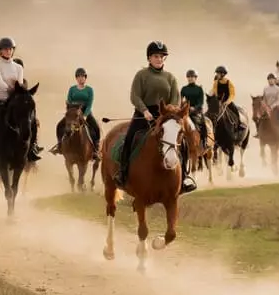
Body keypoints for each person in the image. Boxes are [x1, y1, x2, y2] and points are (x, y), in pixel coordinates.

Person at [114, 41, 195, 194]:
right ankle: (123, 174)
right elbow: (135, 96)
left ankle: (184, 177)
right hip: (144, 114)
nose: (159, 59)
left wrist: (170, 113)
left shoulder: (170, 78)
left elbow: (175, 99)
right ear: (149, 58)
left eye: (162, 57)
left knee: (182, 143)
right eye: (156, 56)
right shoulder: (141, 75)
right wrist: (144, 110)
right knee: (129, 138)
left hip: (166, 115)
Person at [0, 37, 43, 161]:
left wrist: (19, 92)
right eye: (5, 49)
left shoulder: (18, 68)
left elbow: (20, 83)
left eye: (10, 49)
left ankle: (32, 147)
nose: (8, 51)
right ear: (0, 51)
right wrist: (10, 89)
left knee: (32, 121)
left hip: (13, 100)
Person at [50, 67, 100, 156]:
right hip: (73, 112)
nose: (81, 78)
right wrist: (70, 112)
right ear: (76, 78)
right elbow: (69, 101)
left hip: (85, 112)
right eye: (78, 76)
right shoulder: (72, 89)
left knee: (96, 128)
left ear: (85, 78)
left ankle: (96, 149)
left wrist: (85, 115)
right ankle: (59, 146)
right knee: (59, 126)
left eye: (82, 76)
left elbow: (89, 104)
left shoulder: (89, 90)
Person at [181, 69, 208, 148]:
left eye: (192, 77)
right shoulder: (184, 89)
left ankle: (204, 141)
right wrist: (182, 107)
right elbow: (181, 100)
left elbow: (201, 102)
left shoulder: (199, 89)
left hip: (196, 111)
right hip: (186, 110)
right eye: (188, 77)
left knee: (203, 124)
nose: (190, 78)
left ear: (195, 78)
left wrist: (194, 108)